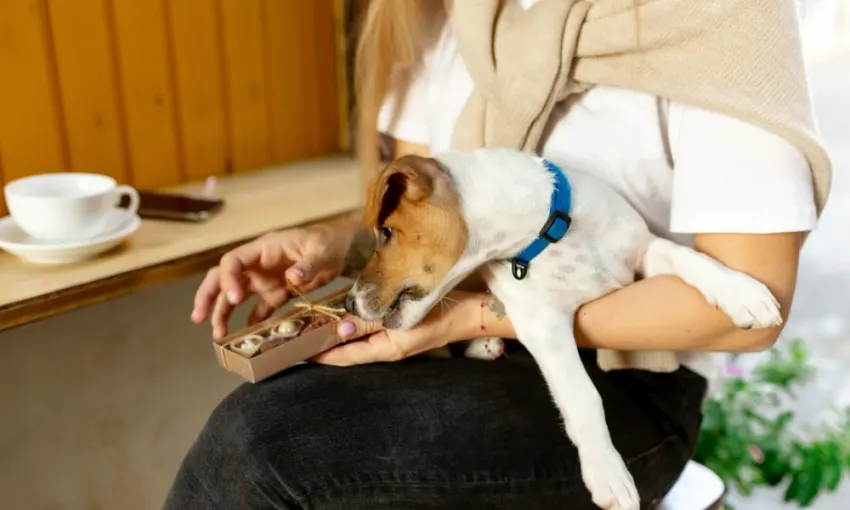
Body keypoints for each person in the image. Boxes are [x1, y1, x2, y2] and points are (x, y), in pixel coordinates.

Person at [164, 0, 830, 508]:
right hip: (462, 348)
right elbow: (426, 211)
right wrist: (336, 241)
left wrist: (478, 316)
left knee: (260, 445)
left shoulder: (722, 20)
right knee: (278, 405)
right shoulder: (452, 14)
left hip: (626, 387)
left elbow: (745, 306)